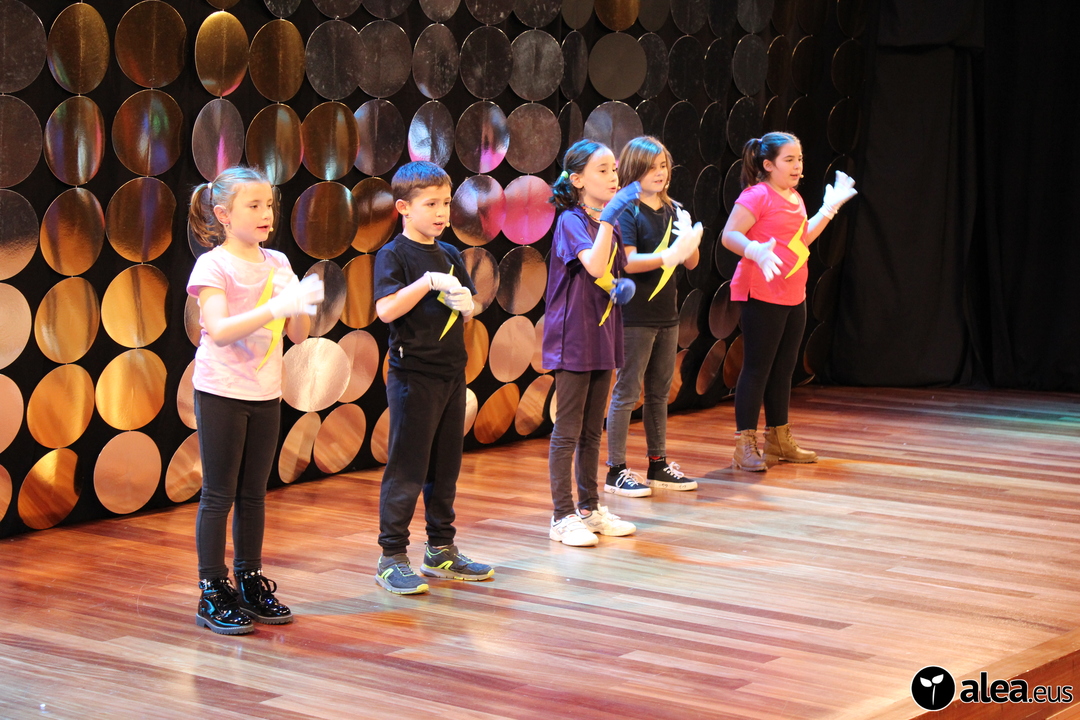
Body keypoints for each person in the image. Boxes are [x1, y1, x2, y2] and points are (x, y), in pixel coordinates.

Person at [186, 166, 325, 634]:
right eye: (254, 205)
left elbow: (299, 333)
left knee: (254, 492)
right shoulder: (214, 266)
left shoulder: (279, 262)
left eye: (269, 205)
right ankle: (212, 588)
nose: (266, 214)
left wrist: (299, 303)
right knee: (219, 493)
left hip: (266, 391)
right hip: (222, 390)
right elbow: (220, 330)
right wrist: (274, 307)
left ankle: (248, 580)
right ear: (224, 215)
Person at [372, 161, 493, 594]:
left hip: (451, 373)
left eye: (445, 203)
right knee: (408, 466)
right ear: (404, 207)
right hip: (413, 376)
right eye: (431, 204)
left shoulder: (450, 253)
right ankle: (391, 556)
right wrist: (425, 283)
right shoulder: (394, 254)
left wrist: (468, 305)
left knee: (446, 466)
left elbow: (470, 308)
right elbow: (386, 310)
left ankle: (441, 548)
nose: (442, 212)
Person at [720, 132, 857, 471]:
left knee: (784, 368)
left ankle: (778, 439)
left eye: (800, 159)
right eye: (789, 160)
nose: (797, 166)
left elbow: (800, 240)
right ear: (768, 165)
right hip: (761, 291)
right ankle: (744, 445)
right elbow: (729, 235)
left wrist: (828, 209)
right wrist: (754, 250)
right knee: (758, 367)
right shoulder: (757, 195)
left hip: (793, 291)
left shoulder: (794, 197)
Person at [543, 139, 643, 547]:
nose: (613, 176)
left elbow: (610, 273)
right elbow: (595, 262)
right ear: (578, 179)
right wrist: (609, 220)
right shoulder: (571, 220)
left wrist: (621, 287)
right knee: (567, 430)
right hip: (573, 336)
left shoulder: (608, 221)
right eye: (602, 170)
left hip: (603, 333)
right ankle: (561, 516)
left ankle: (589, 507)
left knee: (591, 430)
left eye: (614, 168)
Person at [605, 136, 703, 496]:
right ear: (635, 170)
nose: (660, 173)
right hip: (635, 315)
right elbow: (628, 261)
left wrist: (689, 242)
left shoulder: (674, 209)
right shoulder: (628, 210)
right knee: (627, 392)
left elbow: (691, 263)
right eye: (651, 167)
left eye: (663, 166)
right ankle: (616, 470)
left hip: (667, 315)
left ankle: (658, 464)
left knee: (660, 392)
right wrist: (667, 255)